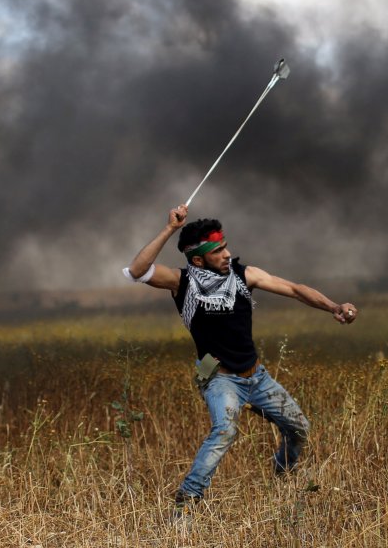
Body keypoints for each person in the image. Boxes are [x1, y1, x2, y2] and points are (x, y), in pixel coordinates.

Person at [123, 204, 357, 511]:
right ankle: (186, 503)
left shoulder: (245, 274)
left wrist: (333, 307)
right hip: (219, 378)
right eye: (217, 251)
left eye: (225, 247)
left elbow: (294, 289)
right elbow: (138, 270)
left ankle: (282, 474)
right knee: (224, 430)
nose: (225, 254)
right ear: (198, 259)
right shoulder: (182, 282)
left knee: (299, 428)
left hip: (256, 376)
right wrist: (170, 229)